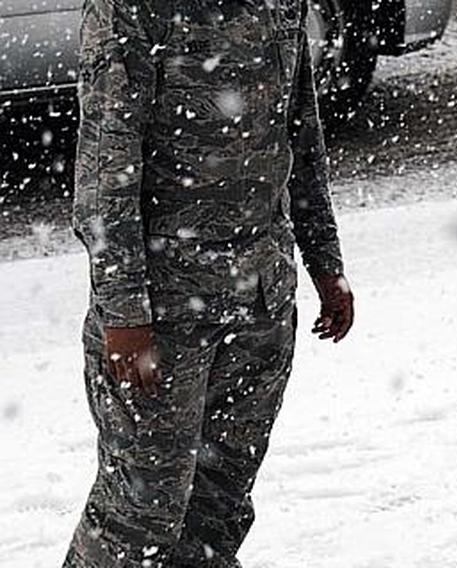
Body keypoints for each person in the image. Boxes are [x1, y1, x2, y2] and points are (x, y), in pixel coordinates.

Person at [64, 1, 354, 566]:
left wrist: (325, 261)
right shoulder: (130, 8)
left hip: (261, 302)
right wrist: (124, 315)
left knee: (218, 506)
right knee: (139, 514)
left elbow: (300, 137)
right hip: (165, 314)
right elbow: (104, 174)